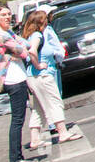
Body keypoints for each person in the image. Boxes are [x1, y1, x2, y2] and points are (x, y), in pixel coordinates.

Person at [0, 4, 48, 162]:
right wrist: (22, 48)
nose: (7, 17)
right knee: (17, 120)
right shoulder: (0, 35)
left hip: (18, 77)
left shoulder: (7, 33)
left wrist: (23, 46)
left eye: (8, 14)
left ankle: (17, 157)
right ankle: (15, 159)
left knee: (19, 119)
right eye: (3, 15)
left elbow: (23, 43)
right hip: (11, 80)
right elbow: (22, 50)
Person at [21, 10, 80, 151]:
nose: (47, 22)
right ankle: (63, 132)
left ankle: (35, 139)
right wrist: (39, 65)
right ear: (40, 22)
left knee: (38, 108)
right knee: (55, 102)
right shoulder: (37, 36)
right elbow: (32, 51)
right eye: (45, 20)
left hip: (33, 77)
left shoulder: (29, 36)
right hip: (42, 75)